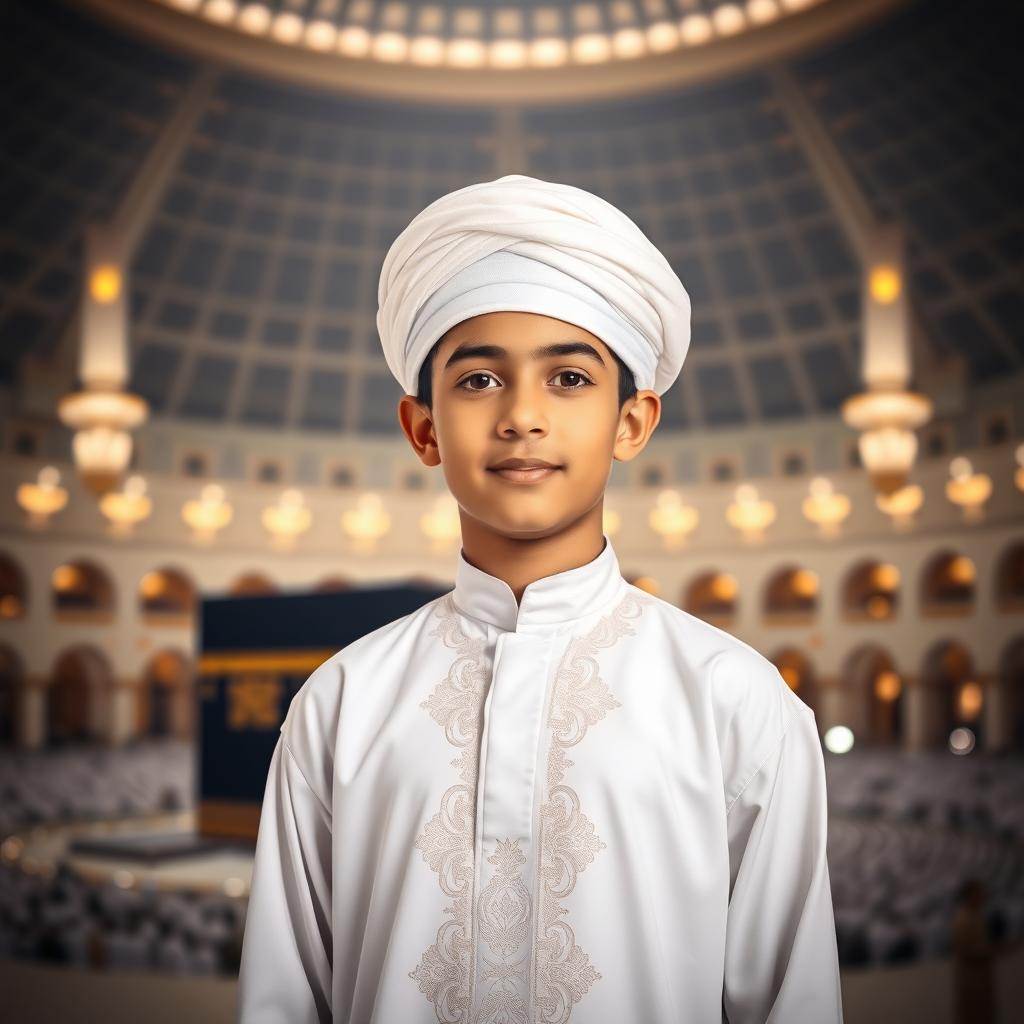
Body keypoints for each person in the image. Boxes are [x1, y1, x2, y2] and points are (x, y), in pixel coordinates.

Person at [237, 174, 843, 1023]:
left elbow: (791, 1002)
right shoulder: (343, 701)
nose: (523, 416)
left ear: (632, 422)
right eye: (480, 381)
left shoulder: (733, 699)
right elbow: (282, 999)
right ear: (423, 428)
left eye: (568, 378)